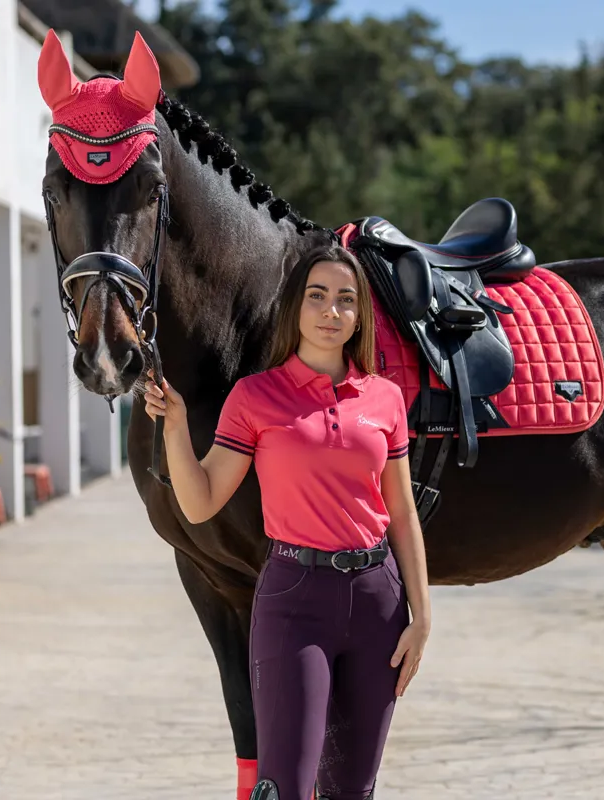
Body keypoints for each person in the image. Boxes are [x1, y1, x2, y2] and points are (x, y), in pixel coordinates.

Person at [143, 244, 431, 800]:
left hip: (379, 601)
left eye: (345, 300)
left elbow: (401, 512)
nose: (331, 311)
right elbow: (201, 503)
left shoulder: (386, 399)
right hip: (294, 598)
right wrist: (175, 429)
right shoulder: (256, 397)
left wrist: (422, 616)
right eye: (317, 296)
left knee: (354, 788)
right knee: (286, 786)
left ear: (359, 317)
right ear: (294, 308)